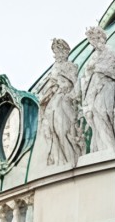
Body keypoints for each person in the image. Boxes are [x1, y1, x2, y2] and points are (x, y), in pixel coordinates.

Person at [79, 26, 115, 159]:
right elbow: (87, 77)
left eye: (96, 38)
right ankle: (105, 148)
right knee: (96, 114)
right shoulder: (93, 57)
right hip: (95, 91)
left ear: (102, 38)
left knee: (105, 113)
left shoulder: (111, 53)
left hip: (109, 88)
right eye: (91, 40)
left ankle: (112, 149)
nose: (94, 42)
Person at [36, 38, 84, 171]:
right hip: (53, 99)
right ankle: (60, 161)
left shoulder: (70, 66)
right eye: (55, 51)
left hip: (63, 99)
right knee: (52, 131)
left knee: (63, 130)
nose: (57, 54)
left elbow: (74, 83)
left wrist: (65, 87)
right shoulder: (54, 67)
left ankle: (71, 159)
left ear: (65, 52)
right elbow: (45, 85)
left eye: (59, 51)